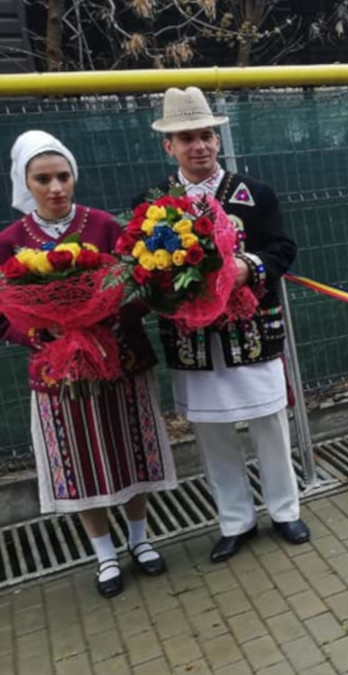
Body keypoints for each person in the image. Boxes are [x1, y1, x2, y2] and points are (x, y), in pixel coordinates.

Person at [134, 87, 309, 563]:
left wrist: (245, 268)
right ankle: (236, 521)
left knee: (269, 422)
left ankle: (285, 510)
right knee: (211, 432)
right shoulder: (152, 203)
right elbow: (141, 267)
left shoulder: (254, 194)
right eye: (187, 138)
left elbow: (282, 249)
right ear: (168, 145)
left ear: (217, 139)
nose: (200, 146)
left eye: (207, 135)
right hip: (191, 338)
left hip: (250, 328)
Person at [0, 131, 176, 598]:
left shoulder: (105, 226)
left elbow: (141, 285)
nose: (56, 187)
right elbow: (3, 314)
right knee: (78, 461)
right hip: (58, 372)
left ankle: (139, 540)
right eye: (43, 179)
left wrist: (110, 316)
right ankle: (103, 555)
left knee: (131, 448)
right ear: (24, 183)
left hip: (120, 359)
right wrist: (42, 334)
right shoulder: (10, 242)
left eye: (63, 176)